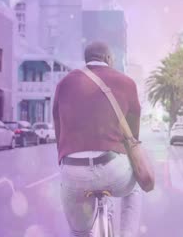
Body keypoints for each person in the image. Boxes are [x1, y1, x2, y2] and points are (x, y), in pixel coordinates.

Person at [53, 41, 142, 237]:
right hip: (113, 169)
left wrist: (64, 160)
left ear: (87, 59)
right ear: (108, 59)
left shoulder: (64, 83)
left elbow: (58, 129)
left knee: (79, 232)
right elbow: (134, 137)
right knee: (134, 187)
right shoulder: (126, 83)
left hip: (74, 172)